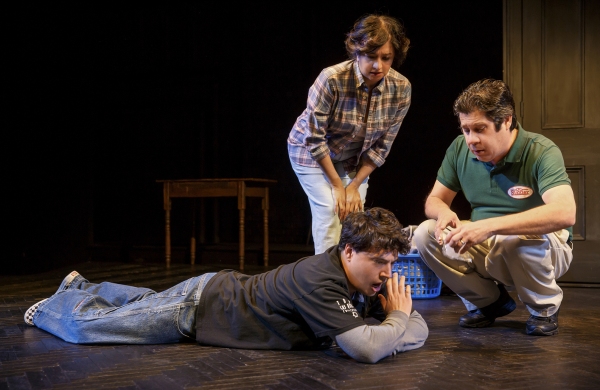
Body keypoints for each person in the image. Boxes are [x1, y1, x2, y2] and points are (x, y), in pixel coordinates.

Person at [25, 207, 428, 364]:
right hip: (199, 309)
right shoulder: (320, 280)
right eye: (379, 261)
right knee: (88, 329)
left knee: (147, 300)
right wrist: (397, 318)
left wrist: (395, 324)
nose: (387, 272)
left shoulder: (363, 282)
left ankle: (80, 286)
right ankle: (49, 307)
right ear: (348, 252)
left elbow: (416, 330)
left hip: (215, 292)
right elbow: (368, 348)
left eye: (392, 261)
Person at [413, 79, 576, 336]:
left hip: (545, 246)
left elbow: (565, 212)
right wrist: (444, 212)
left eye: (480, 129)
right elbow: (435, 200)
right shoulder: (459, 149)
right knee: (425, 233)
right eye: (466, 130)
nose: (471, 139)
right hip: (490, 241)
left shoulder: (541, 151)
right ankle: (489, 302)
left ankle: (543, 308)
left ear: (507, 121)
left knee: (510, 239)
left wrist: (488, 227)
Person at [287, 14, 411, 254]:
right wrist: (336, 184)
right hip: (310, 153)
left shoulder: (401, 88)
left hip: (352, 159)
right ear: (356, 51)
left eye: (386, 58)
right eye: (371, 56)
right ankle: (326, 283)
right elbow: (313, 138)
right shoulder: (331, 79)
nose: (378, 66)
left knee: (354, 217)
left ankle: (350, 282)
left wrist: (353, 185)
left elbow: (382, 146)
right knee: (329, 209)